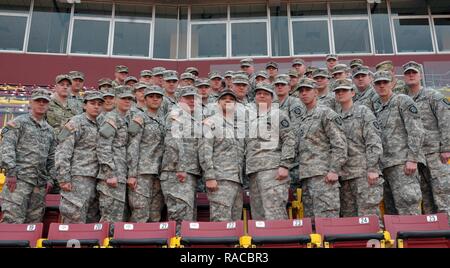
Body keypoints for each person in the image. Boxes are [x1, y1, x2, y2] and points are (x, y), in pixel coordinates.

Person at [402, 61, 450, 221]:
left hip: (436, 153)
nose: (411, 75)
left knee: (443, 194)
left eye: (414, 73)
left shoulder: (432, 96)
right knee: (426, 199)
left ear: (420, 75)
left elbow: (446, 120)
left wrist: (446, 147)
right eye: (408, 73)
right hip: (418, 156)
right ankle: (433, 234)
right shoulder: (404, 100)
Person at [373, 70, 424, 215]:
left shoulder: (402, 101)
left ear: (392, 83)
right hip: (386, 166)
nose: (382, 86)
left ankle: (414, 238)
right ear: (374, 86)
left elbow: (416, 130)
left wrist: (412, 159)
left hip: (403, 164)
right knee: (392, 212)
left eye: (385, 82)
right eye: (378, 83)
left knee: (408, 206)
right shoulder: (378, 108)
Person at [0, 88, 56, 223]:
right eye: (38, 101)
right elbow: (7, 148)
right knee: (12, 221)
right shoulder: (18, 123)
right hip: (19, 182)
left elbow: (52, 158)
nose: (41, 104)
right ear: (30, 103)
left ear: (48, 105)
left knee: (33, 224)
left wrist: (50, 179)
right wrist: (11, 173)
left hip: (39, 185)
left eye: (44, 102)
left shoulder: (49, 130)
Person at [296, 78, 347, 218]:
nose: (304, 93)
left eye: (307, 90)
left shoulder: (326, 113)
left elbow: (339, 143)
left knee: (327, 220)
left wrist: (334, 170)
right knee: (311, 223)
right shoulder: (303, 118)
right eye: (301, 91)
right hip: (307, 176)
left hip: (324, 177)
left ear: (316, 92)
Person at [333, 79, 383, 218]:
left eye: (344, 90)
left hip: (364, 174)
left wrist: (373, 168)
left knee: (369, 218)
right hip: (345, 176)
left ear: (353, 93)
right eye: (337, 91)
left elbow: (373, 141)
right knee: (350, 223)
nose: (340, 93)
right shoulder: (335, 117)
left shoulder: (363, 112)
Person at [245, 82, 296, 220]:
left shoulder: (278, 114)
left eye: (266, 94)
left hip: (273, 170)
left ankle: (280, 241)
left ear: (272, 97)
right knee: (258, 216)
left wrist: (285, 165)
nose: (261, 96)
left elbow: (289, 140)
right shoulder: (250, 118)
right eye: (258, 93)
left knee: (275, 213)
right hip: (254, 171)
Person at [56, 91, 104, 223]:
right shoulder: (75, 122)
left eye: (99, 104)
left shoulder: (102, 123)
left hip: (96, 178)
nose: (96, 106)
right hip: (77, 178)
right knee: (74, 217)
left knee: (92, 220)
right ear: (84, 105)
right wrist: (64, 178)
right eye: (92, 103)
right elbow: (63, 151)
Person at [160, 86, 202, 231]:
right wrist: (180, 167)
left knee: (187, 216)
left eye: (194, 97)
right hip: (177, 173)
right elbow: (173, 142)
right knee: (180, 216)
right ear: (179, 99)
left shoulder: (191, 117)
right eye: (188, 97)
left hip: (188, 172)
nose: (192, 100)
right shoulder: (176, 114)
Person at [199, 89, 245, 221]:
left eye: (232, 99)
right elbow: (204, 151)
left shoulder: (238, 126)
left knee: (236, 223)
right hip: (220, 179)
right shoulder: (210, 122)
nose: (228, 100)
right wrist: (209, 177)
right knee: (221, 220)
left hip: (236, 181)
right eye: (225, 98)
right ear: (218, 103)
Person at [127, 86, 166, 222]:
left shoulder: (164, 120)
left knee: (155, 214)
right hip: (142, 172)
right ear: (145, 99)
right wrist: (132, 174)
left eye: (158, 96)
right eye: (151, 96)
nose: (155, 99)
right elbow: (133, 146)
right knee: (140, 212)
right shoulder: (139, 118)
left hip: (159, 172)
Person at [96, 86, 134, 223]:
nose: (127, 101)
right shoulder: (111, 119)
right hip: (112, 176)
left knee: (119, 216)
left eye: (130, 99)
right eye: (124, 98)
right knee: (110, 216)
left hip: (121, 174)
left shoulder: (127, 118)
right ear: (116, 100)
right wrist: (109, 173)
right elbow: (103, 146)